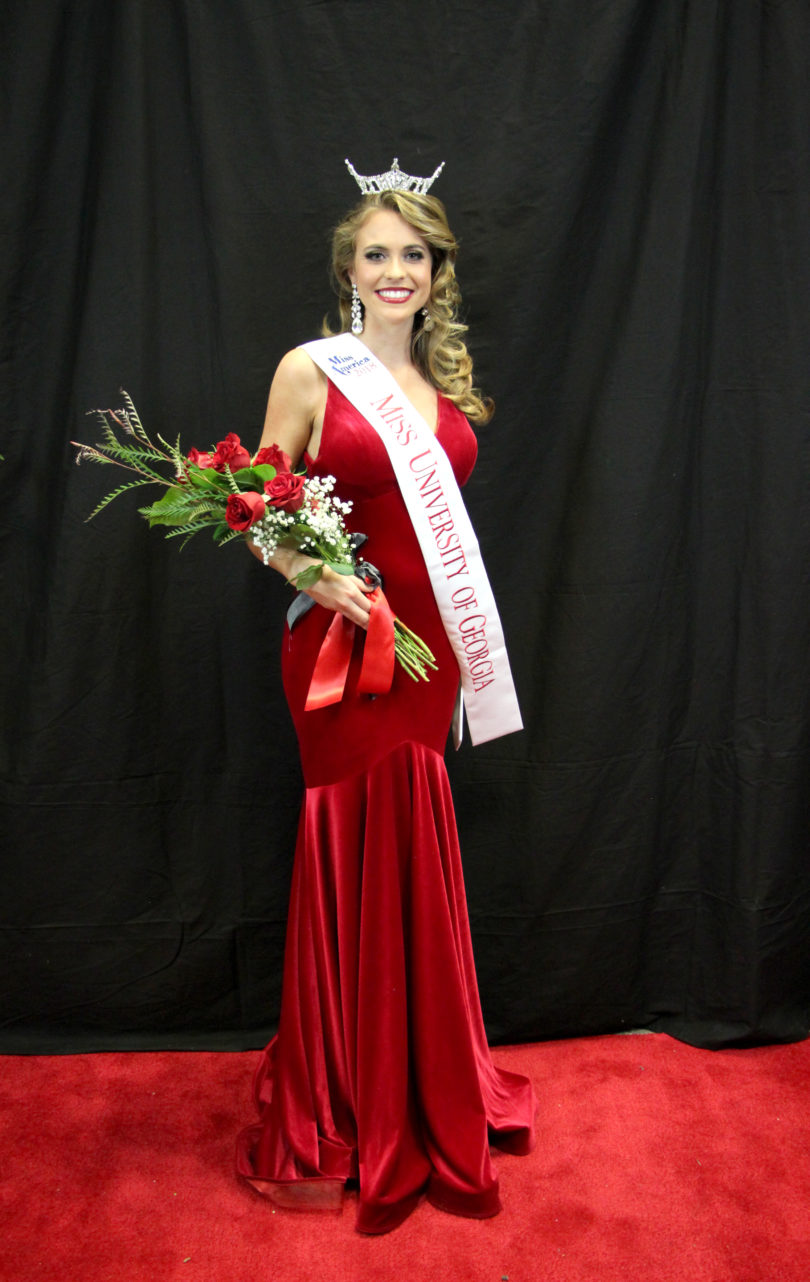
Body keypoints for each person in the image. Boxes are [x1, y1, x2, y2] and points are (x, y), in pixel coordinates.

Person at [236, 158, 536, 1234]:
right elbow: (253, 506)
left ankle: (421, 1084)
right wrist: (319, 578)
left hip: (428, 652)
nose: (395, 269)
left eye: (414, 253)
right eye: (377, 253)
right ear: (348, 269)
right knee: (347, 839)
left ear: (437, 270)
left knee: (412, 840)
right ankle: (343, 1095)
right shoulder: (312, 370)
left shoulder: (444, 389)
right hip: (339, 651)